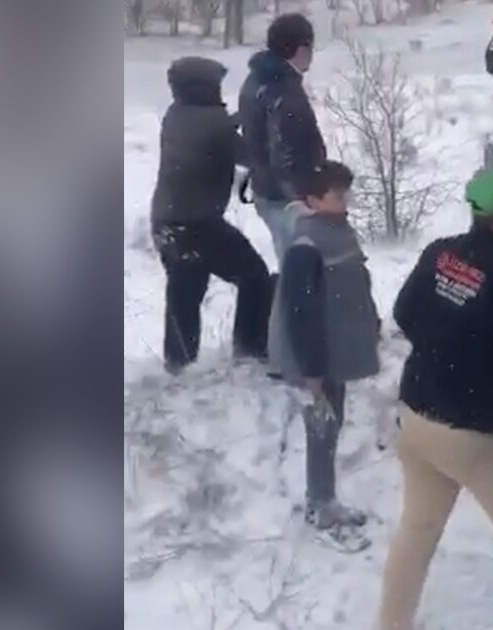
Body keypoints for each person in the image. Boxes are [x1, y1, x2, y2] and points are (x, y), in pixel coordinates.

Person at [378, 169, 493, 630]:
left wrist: (448, 343)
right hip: (477, 432)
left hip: (417, 416)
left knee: (418, 528)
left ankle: (391, 623)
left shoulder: (441, 252)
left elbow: (405, 313)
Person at [278, 160, 380, 550]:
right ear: (312, 200)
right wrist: (312, 369)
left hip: (333, 352)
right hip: (314, 358)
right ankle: (319, 505)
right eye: (337, 194)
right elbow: (299, 310)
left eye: (345, 192)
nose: (345, 200)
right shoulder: (306, 244)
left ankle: (326, 498)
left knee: (332, 425)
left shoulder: (337, 230)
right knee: (321, 429)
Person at [150, 56, 271, 374]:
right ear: (203, 87)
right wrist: (254, 118)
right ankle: (249, 350)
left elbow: (216, 131)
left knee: (184, 292)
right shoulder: (211, 122)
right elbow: (249, 154)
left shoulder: (177, 114)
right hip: (198, 224)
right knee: (254, 277)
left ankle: (179, 365)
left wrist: (237, 119)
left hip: (169, 220)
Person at [238, 13, 327, 374]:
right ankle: (285, 360)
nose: (312, 55)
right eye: (310, 47)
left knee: (295, 270)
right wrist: (305, 197)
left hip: (268, 191)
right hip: (286, 197)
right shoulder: (282, 88)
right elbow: (286, 153)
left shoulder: (257, 79)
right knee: (296, 275)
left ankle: (290, 354)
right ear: (299, 48)